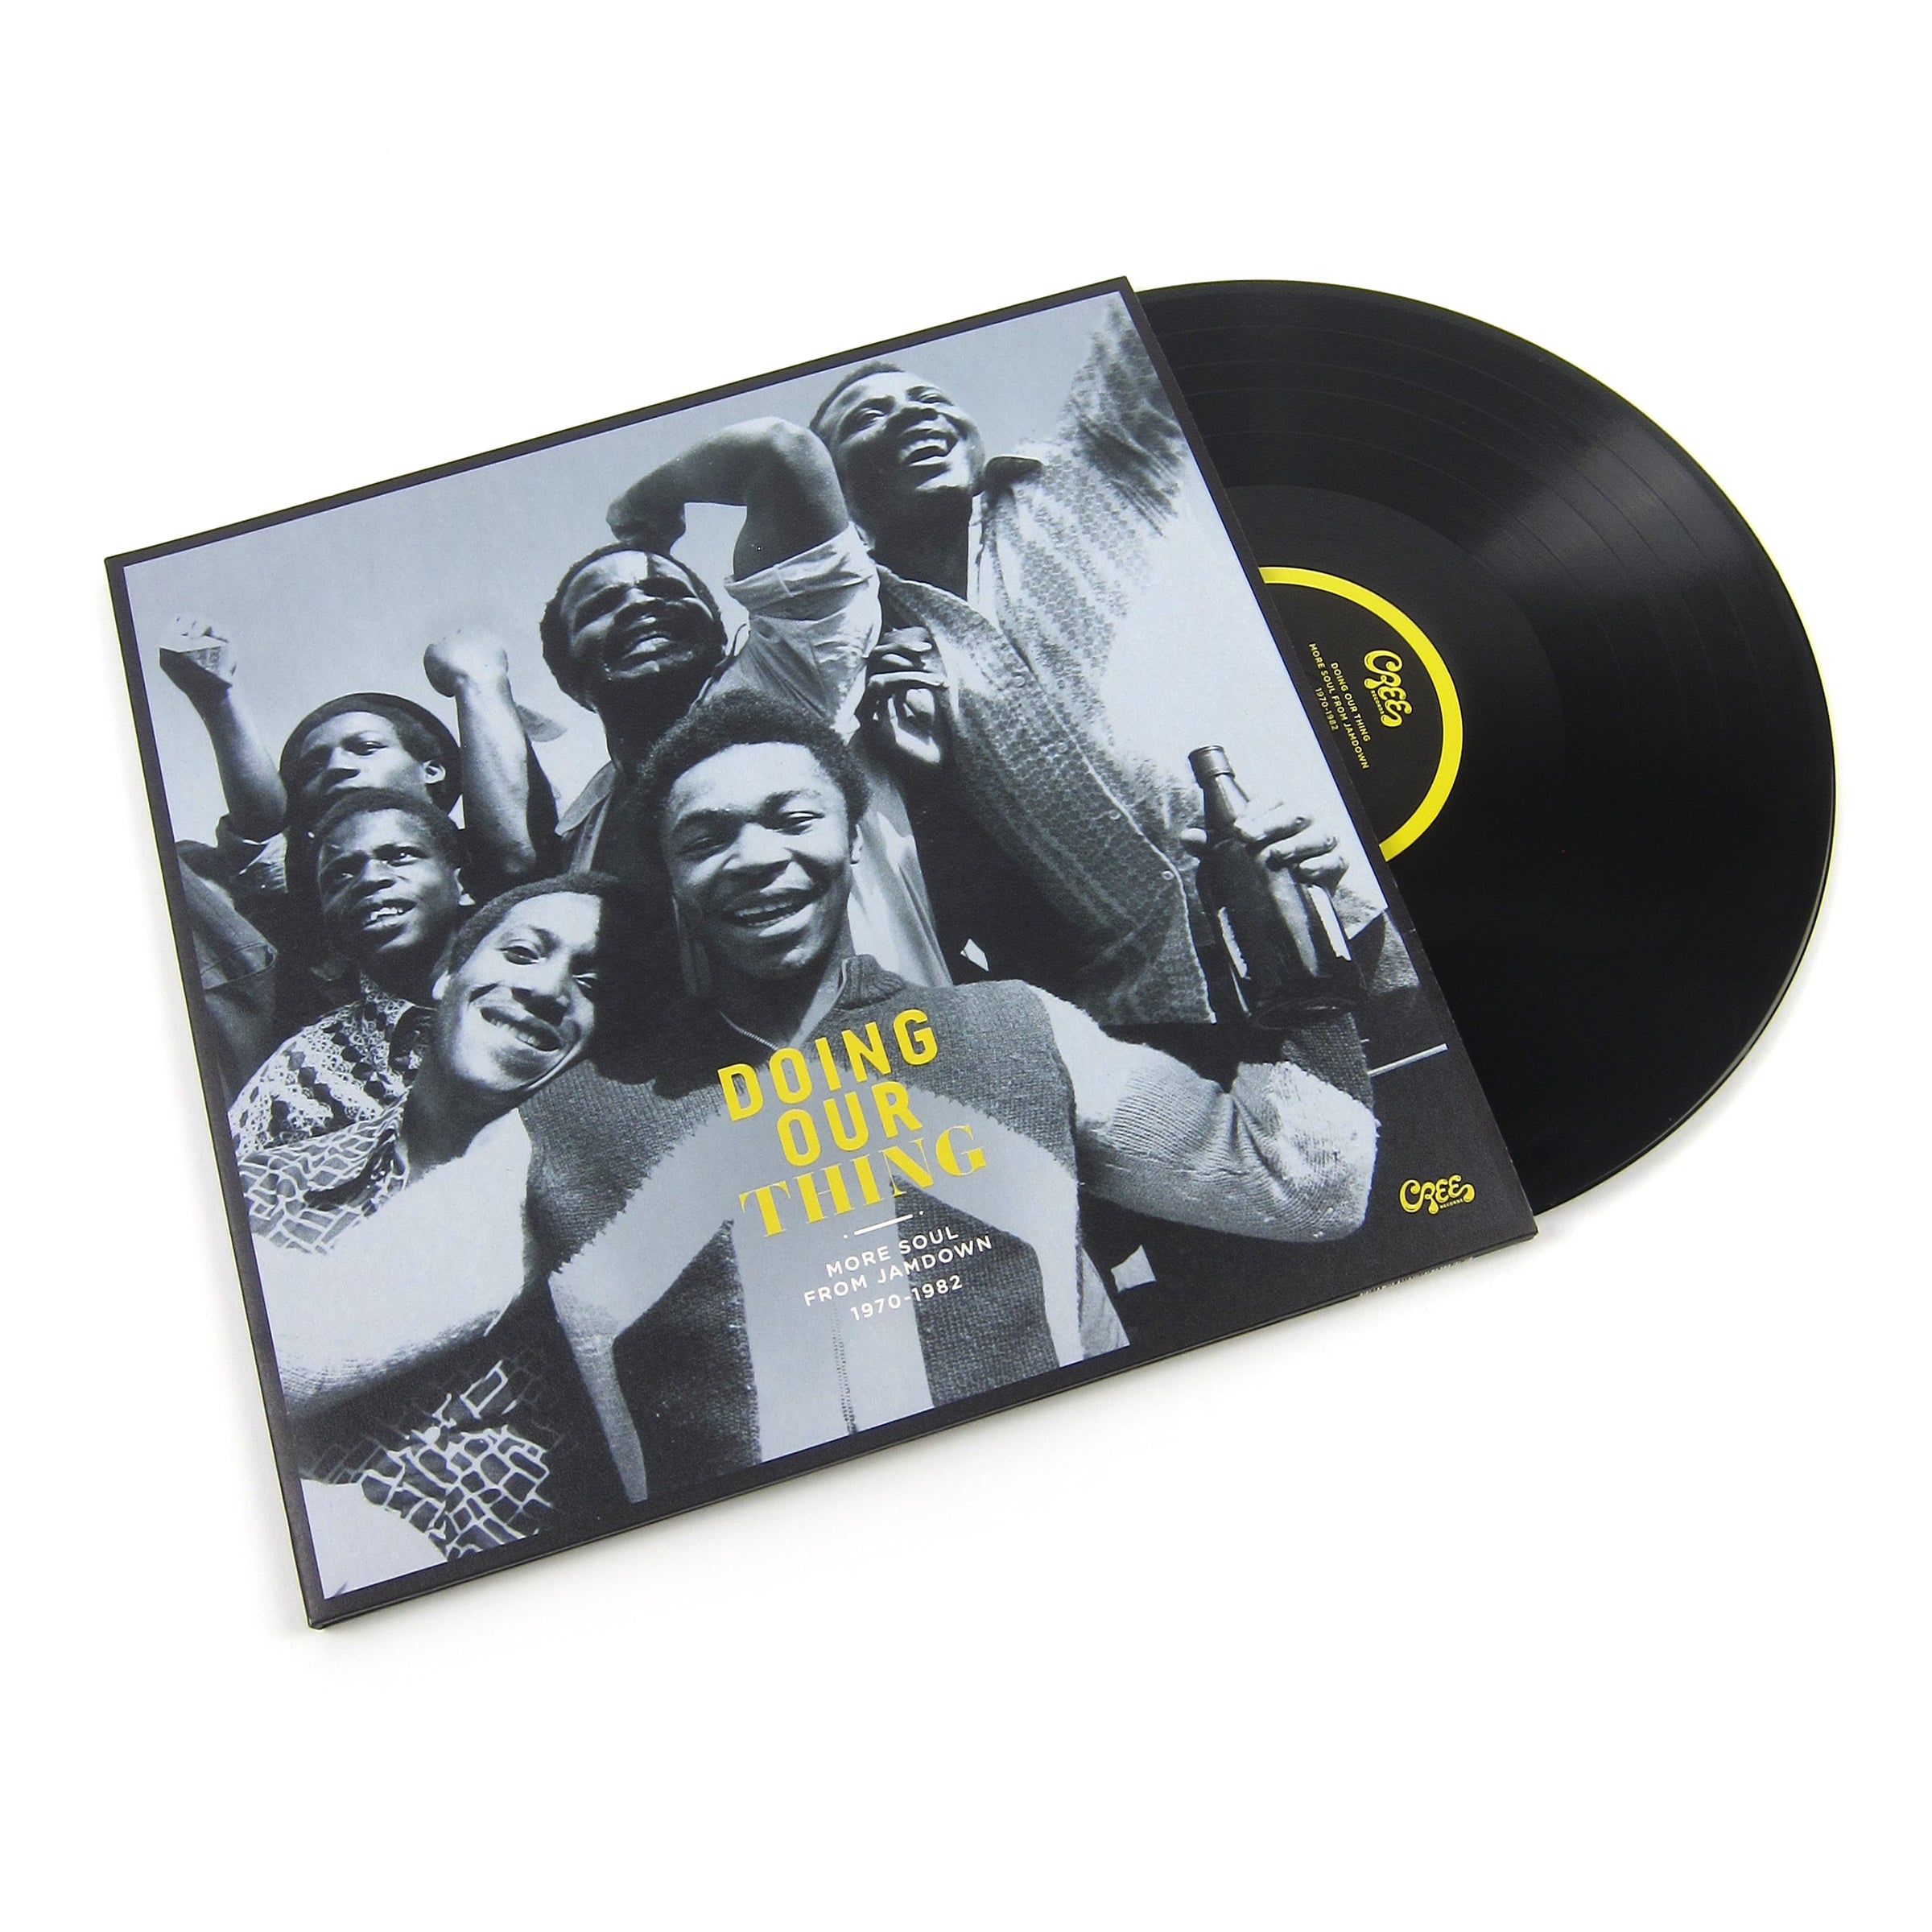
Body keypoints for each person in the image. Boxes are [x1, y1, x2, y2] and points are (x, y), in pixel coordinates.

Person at [518, 694, 1377, 1509]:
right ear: (672, 878)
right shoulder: (560, 1122)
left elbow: (1310, 1192)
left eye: (795, 819)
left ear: (855, 842)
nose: (754, 858)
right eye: (706, 839)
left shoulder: (1015, 1027)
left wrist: (1299, 975)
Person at [807, 303, 1418, 1027]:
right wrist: (933, 782)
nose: (913, 414)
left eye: (929, 397)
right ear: (831, 496)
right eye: (868, 418)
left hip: (1332, 902)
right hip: (1155, 1010)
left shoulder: (1092, 466)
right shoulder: (869, 647)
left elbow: (1161, 326)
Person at [242, 877, 638, 1595]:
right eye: (522, 952)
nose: (546, 989)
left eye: (593, 984)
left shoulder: (603, 1230)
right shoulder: (267, 1186)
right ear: (446, 974)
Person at [547, 416, 949, 987]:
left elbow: (777, 453)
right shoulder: (585, 826)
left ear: (719, 634)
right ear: (570, 680)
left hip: (893, 1033)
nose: (640, 605)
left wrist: (645, 504)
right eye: (600, 607)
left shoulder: (788, 679)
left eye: (667, 592)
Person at [158, 621, 557, 1099]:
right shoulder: (302, 876)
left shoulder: (483, 859)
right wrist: (219, 698)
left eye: (365, 748)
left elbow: (513, 856)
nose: (337, 767)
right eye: (313, 767)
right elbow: (258, 829)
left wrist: (473, 678)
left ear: (434, 771)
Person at [226, 790, 468, 1156]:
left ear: (461, 883)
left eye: (399, 857)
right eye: (340, 875)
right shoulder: (299, 1074)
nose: (370, 879)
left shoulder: (535, 999)